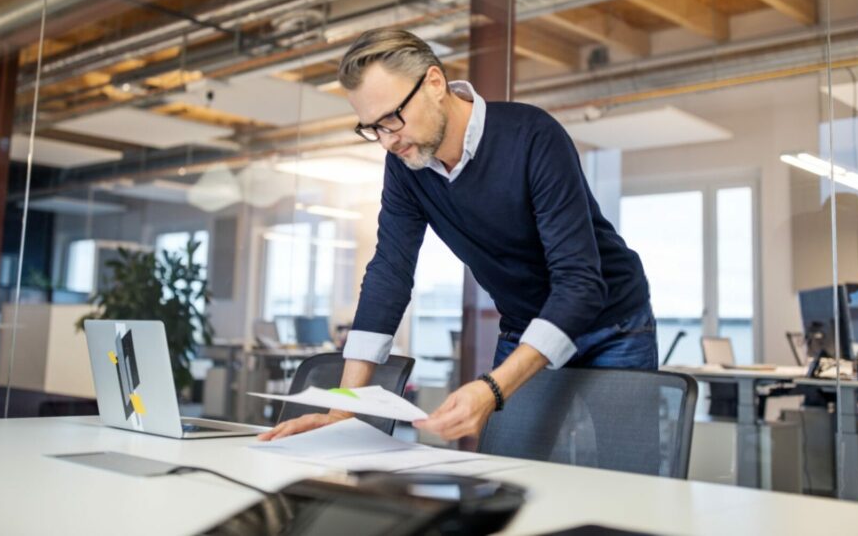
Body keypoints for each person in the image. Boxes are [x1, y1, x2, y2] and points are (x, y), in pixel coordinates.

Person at [260, 28, 654, 442]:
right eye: (372, 128)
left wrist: (494, 388)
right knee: (509, 473)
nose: (387, 140)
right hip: (524, 325)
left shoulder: (532, 136)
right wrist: (344, 410)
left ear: (434, 83)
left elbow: (579, 283)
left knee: (622, 470)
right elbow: (389, 274)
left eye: (393, 118)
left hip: (612, 322)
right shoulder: (405, 166)